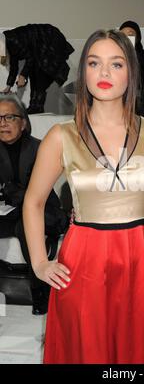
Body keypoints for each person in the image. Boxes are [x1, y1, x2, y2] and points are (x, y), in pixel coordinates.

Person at [23, 29, 144, 364]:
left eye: (116, 64)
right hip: (83, 259)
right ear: (83, 72)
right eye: (95, 63)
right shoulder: (62, 136)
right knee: (86, 350)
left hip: (140, 257)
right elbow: (33, 201)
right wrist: (39, 262)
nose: (105, 73)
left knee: (136, 352)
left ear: (132, 71)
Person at [0, 93, 67, 315]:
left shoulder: (40, 148)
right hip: (8, 213)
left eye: (9, 117)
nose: (3, 124)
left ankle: (41, 293)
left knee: (23, 227)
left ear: (24, 123)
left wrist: (10, 191)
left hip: (44, 212)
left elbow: (37, 195)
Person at [1, 24, 74, 114]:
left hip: (49, 40)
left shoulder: (12, 41)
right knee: (34, 71)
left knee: (41, 72)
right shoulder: (7, 43)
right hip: (39, 48)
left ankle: (37, 107)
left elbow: (30, 57)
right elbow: (14, 65)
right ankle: (34, 106)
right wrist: (9, 86)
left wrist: (23, 75)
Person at [120, 20, 144, 118]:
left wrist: (131, 56)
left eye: (130, 34)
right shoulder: (115, 57)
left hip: (140, 104)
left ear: (137, 37)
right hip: (119, 101)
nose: (126, 38)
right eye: (123, 35)